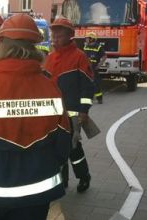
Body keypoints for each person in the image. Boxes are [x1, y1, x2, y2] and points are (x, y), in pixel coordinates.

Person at [0, 14, 72, 220]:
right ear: (35, 47)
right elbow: (63, 138)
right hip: (37, 193)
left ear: (0, 44)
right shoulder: (50, 86)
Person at [44, 17, 94, 193]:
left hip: (72, 114)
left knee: (73, 148)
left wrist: (84, 111)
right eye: (54, 32)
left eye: (60, 33)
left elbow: (88, 87)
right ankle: (62, 180)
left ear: (70, 35)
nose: (55, 36)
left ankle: (84, 176)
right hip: (52, 113)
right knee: (56, 147)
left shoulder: (79, 57)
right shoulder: (49, 58)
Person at [83, 32, 106, 104]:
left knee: (96, 84)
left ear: (92, 39)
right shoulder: (86, 46)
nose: (86, 39)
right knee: (86, 83)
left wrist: (99, 65)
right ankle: (89, 98)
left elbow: (104, 56)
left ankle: (99, 98)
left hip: (94, 68)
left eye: (87, 38)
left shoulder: (98, 46)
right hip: (86, 68)